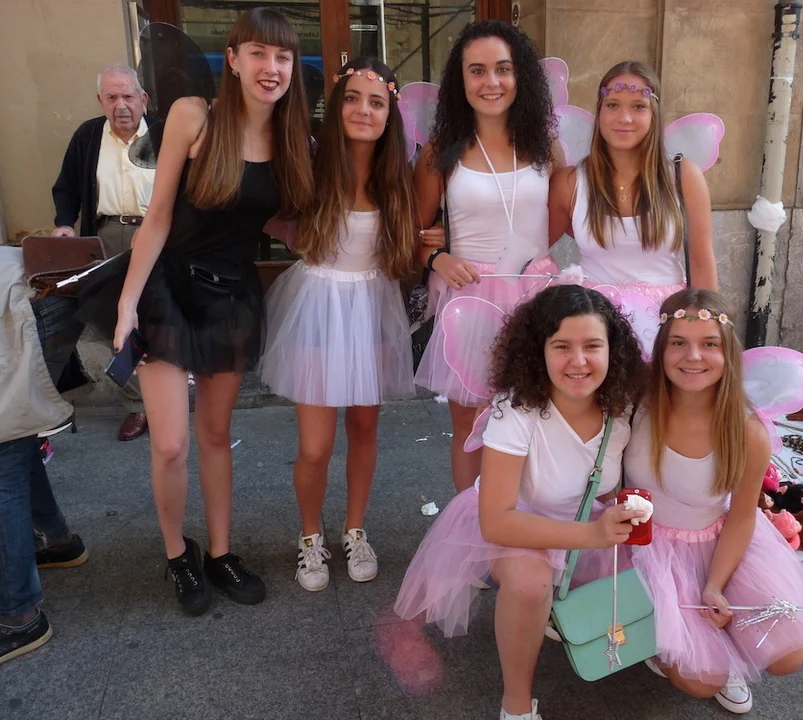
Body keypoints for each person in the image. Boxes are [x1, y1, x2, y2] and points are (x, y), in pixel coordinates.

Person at [76, 7, 314, 616]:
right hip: (169, 287)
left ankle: (220, 553)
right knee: (171, 444)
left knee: (214, 434)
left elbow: (273, 220)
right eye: (257, 53)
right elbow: (157, 218)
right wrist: (127, 303)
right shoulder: (193, 115)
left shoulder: (291, 140)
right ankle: (178, 553)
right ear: (232, 60)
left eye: (282, 56)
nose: (271, 67)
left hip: (231, 295)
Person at [396, 285, 647, 720]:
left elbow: (603, 487)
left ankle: (574, 616)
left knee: (657, 561)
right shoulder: (515, 410)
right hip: (514, 525)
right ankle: (516, 702)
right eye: (562, 346)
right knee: (531, 582)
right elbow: (496, 522)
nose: (579, 361)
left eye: (592, 346)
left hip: (584, 522)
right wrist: (591, 535)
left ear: (613, 350)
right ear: (538, 351)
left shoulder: (621, 408)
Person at [623, 288, 803, 713]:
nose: (693, 356)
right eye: (678, 342)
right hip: (645, 545)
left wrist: (714, 585)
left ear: (728, 354)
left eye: (709, 344)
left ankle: (721, 637)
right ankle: (666, 641)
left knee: (786, 656)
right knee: (701, 682)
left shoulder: (746, 431)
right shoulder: (636, 404)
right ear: (661, 348)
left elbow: (742, 517)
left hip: (719, 540)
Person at [259, 58, 418, 591]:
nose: (363, 110)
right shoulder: (309, 163)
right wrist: (292, 232)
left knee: (365, 428)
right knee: (315, 445)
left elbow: (413, 239)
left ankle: (355, 529)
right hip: (317, 306)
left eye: (376, 102)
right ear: (337, 106)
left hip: (372, 307)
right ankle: (310, 536)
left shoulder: (398, 177)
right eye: (352, 98)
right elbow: (263, 204)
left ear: (390, 113)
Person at [412, 19, 566, 493]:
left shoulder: (546, 146)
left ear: (520, 75)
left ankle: (523, 518)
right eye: (477, 71)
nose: (491, 82)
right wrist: (437, 258)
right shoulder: (441, 150)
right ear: (460, 81)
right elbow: (410, 232)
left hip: (534, 295)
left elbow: (560, 216)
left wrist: (531, 261)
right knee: (470, 423)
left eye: (503, 69)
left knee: (535, 415)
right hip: (471, 296)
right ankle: (469, 524)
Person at [51, 65, 161, 441]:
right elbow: (67, 187)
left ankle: (167, 397)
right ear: (101, 100)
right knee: (114, 321)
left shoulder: (164, 134)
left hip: (158, 235)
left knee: (160, 317)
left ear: (143, 99)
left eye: (128, 96)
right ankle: (138, 405)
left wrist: (159, 228)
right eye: (111, 97)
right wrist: (64, 223)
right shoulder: (88, 136)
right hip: (107, 235)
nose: (121, 105)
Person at [548, 61, 717, 299]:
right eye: (613, 105)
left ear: (654, 114)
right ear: (600, 111)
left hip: (664, 315)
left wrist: (705, 317)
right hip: (595, 316)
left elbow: (701, 263)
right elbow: (530, 251)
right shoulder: (570, 183)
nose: (624, 118)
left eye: (638, 106)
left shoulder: (683, 176)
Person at [0, 246, 88, 664]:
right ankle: (58, 541)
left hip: (24, 299)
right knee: (13, 436)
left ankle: (19, 616)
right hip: (31, 289)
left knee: (4, 456)